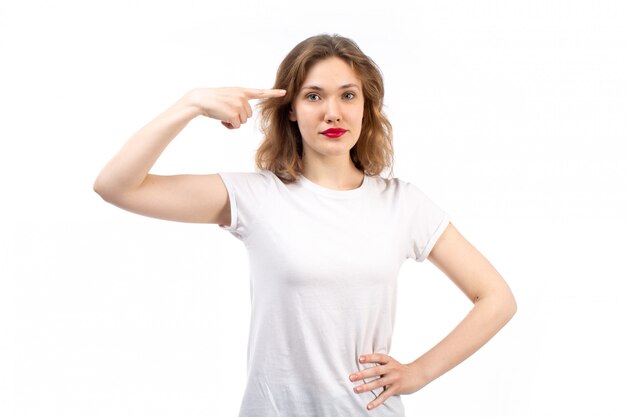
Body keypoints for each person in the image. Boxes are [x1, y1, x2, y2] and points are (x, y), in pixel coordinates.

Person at [93, 34, 517, 416]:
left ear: (366, 106)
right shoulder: (255, 197)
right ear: (291, 110)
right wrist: (189, 104)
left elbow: (496, 298)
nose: (332, 112)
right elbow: (116, 187)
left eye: (348, 95)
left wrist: (419, 373)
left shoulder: (402, 203)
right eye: (314, 97)